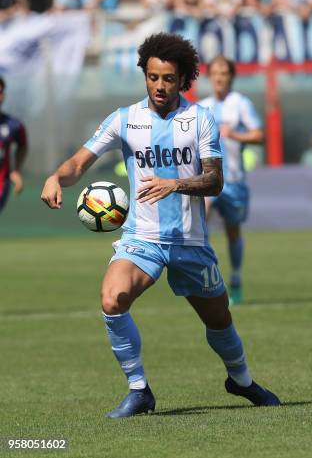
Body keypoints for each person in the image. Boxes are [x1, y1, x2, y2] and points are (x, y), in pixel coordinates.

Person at [41, 33, 280, 418]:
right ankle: (139, 390)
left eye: (168, 78)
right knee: (112, 299)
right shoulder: (124, 119)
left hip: (191, 241)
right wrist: (56, 177)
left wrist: (175, 184)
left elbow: (214, 181)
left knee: (219, 321)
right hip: (142, 239)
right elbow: (78, 164)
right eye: (152, 77)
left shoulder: (200, 118)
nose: (159, 86)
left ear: (183, 79)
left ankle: (241, 379)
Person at [198, 55, 264, 305]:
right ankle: (208, 279)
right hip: (208, 180)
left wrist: (235, 134)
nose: (219, 77)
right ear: (209, 77)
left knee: (232, 231)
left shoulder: (241, 104)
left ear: (231, 76)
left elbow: (259, 135)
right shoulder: (201, 108)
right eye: (215, 72)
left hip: (234, 180)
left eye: (224, 72)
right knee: (200, 223)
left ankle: (235, 277)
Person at [0, 76, 28, 214]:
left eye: (0, 91)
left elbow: (22, 145)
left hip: (1, 183)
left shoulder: (14, 125)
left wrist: (16, 170)